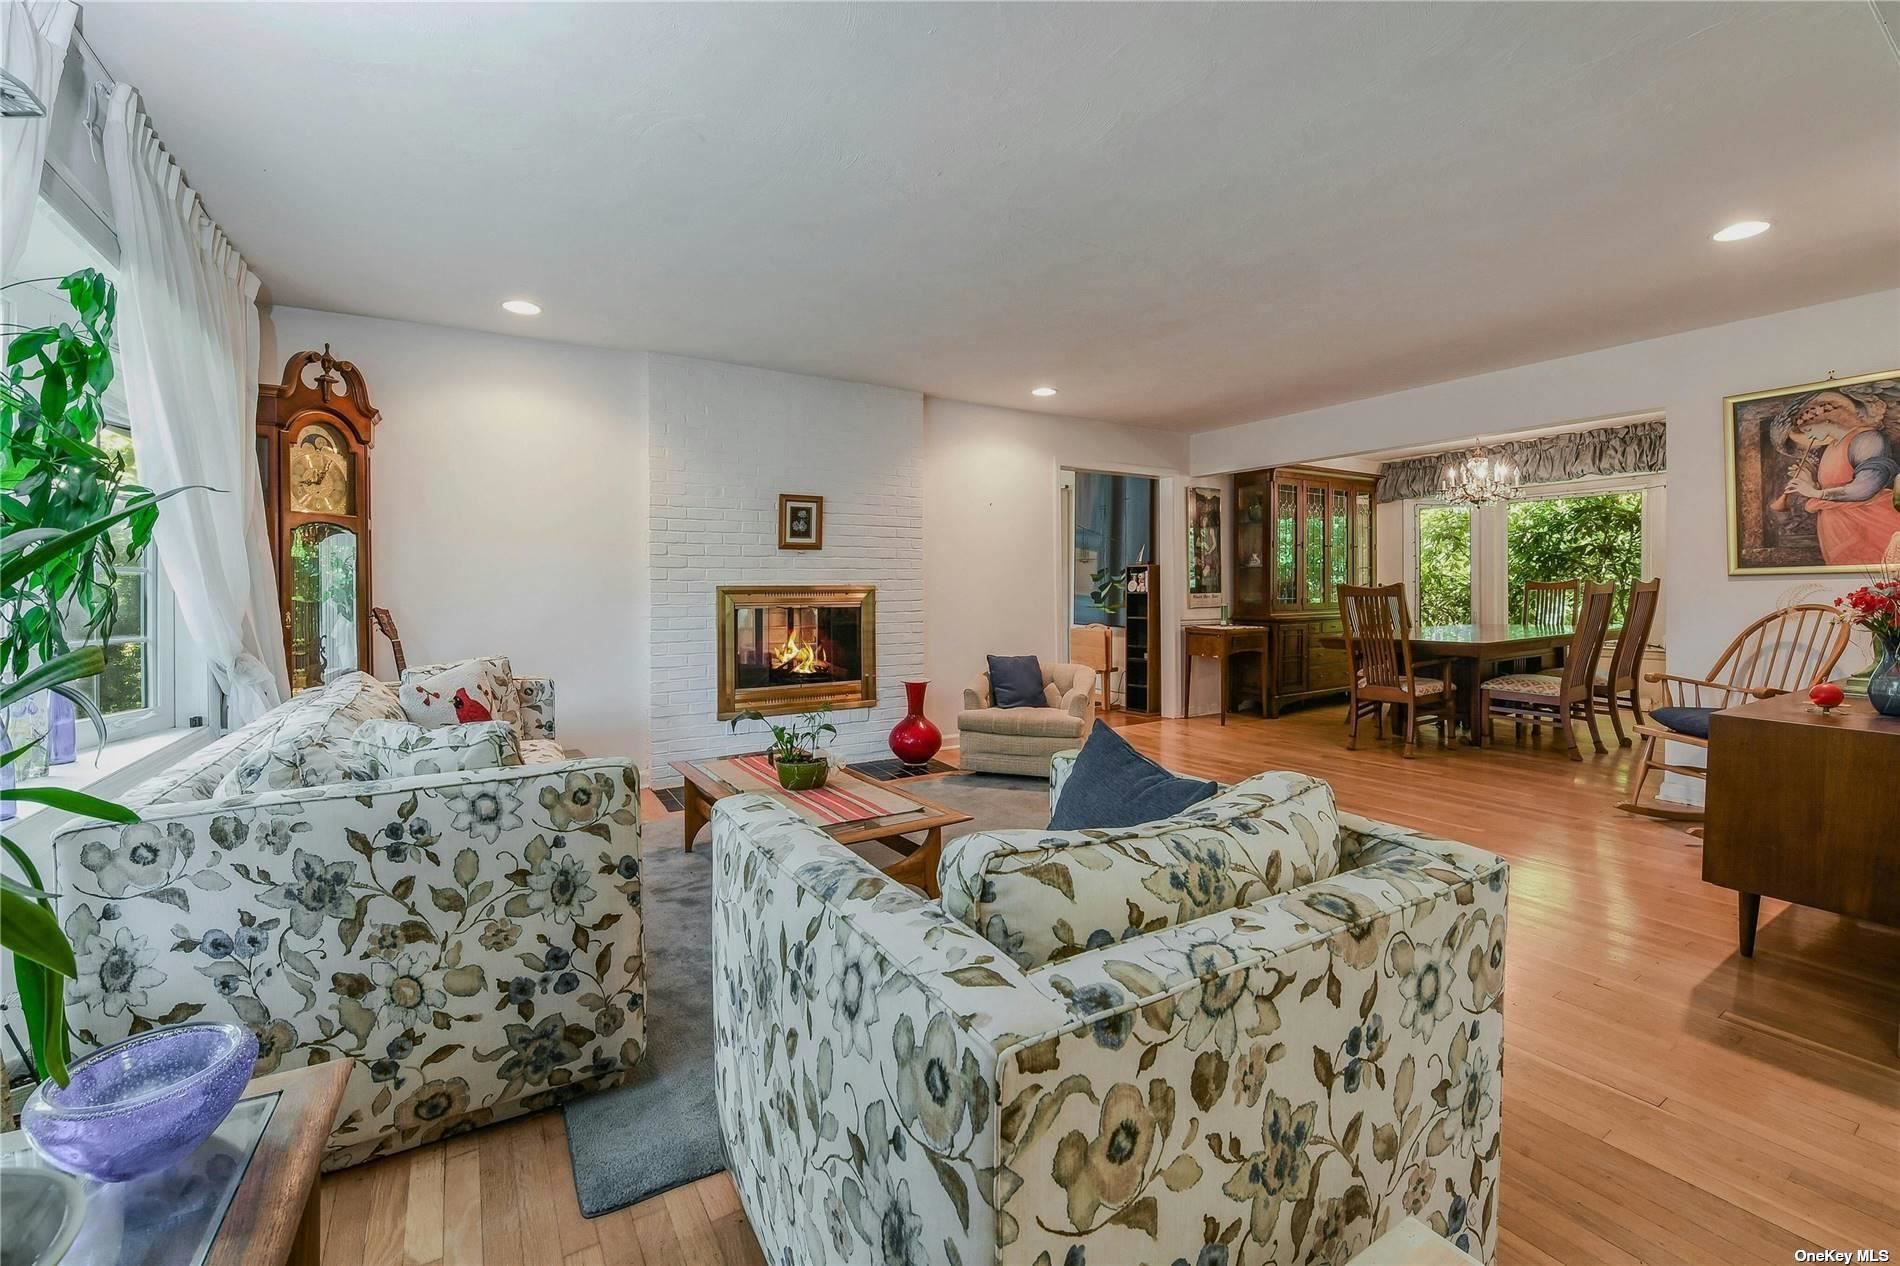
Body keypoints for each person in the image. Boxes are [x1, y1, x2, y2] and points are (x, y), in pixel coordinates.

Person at [1776, 389, 1900, 566]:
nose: (1808, 436)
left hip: (1868, 526)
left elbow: (1866, 487)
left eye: (1809, 429)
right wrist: (1811, 483)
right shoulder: (1831, 447)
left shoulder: (1867, 439)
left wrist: (1815, 493)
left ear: (1827, 419)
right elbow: (1834, 486)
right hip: (1839, 530)